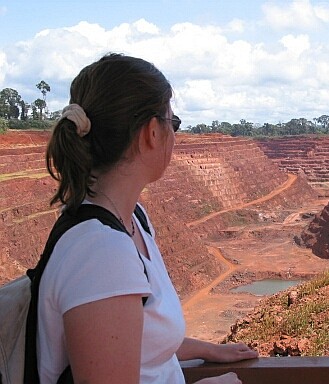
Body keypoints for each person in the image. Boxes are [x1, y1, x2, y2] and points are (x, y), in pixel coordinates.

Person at [41, 53, 258, 384]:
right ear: (151, 133)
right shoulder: (101, 253)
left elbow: (129, 340)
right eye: (173, 123)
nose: (175, 135)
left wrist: (207, 350)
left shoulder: (131, 220)